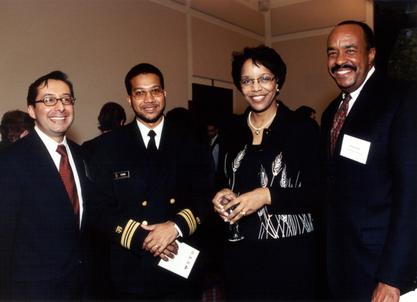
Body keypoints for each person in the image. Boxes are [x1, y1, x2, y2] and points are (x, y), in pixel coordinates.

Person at [87, 63, 212, 299]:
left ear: (164, 93)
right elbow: (98, 208)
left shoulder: (191, 142)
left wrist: (175, 227)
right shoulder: (107, 147)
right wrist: (146, 238)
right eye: (140, 93)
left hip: (180, 267)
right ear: (129, 99)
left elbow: (205, 197)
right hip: (131, 271)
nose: (149, 99)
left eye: (155, 91)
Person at [212, 45, 320, 300]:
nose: (256, 88)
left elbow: (319, 193)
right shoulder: (232, 129)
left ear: (278, 82)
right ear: (240, 86)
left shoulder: (302, 129)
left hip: (291, 258)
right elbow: (219, 178)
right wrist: (220, 193)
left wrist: (267, 195)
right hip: (240, 256)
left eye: (264, 79)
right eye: (247, 81)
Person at [321, 20, 417, 301]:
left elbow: (411, 194)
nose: (340, 61)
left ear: (371, 54)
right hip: (341, 267)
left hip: (381, 270)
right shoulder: (331, 112)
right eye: (332, 52)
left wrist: (391, 277)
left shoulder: (401, 99)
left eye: (350, 50)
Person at [0, 71, 94, 299]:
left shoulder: (83, 156)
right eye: (49, 100)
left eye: (66, 99)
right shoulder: (11, 161)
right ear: (32, 110)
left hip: (81, 287)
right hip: (33, 291)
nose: (60, 107)